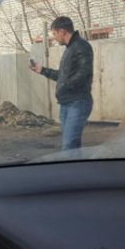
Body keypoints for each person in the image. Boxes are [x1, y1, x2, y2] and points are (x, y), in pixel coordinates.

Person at [30, 16, 94, 151]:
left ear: (62, 31)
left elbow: (84, 73)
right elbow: (63, 76)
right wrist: (42, 70)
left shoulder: (81, 46)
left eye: (54, 33)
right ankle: (76, 171)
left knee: (69, 145)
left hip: (78, 102)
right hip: (67, 103)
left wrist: (65, 86)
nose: (54, 37)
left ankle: (71, 170)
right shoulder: (70, 49)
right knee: (72, 145)